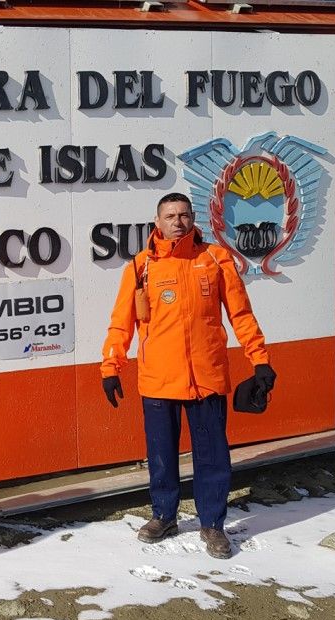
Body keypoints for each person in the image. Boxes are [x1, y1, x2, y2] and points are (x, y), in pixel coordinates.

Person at [100, 192, 276, 559]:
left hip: (206, 378)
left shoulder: (216, 259)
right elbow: (121, 323)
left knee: (212, 457)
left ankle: (212, 523)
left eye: (183, 215)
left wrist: (259, 360)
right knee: (161, 455)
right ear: (157, 222)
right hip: (158, 379)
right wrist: (111, 367)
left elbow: (241, 315)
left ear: (193, 219)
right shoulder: (140, 267)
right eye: (170, 216)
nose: (177, 222)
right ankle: (164, 516)